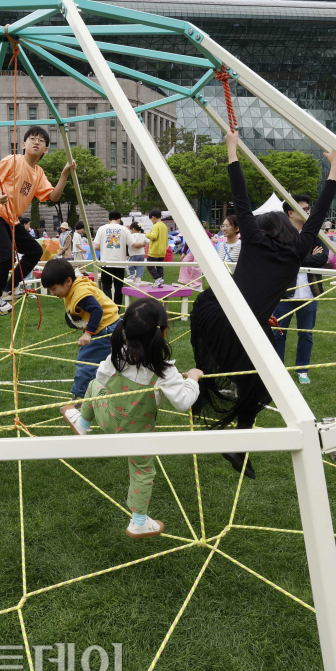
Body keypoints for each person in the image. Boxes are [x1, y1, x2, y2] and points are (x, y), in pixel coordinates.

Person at [190, 130, 336, 477]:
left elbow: (239, 194)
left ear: (263, 228)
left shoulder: (255, 239)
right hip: (238, 321)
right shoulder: (298, 249)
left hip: (218, 311)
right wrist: (335, 169)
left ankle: (238, 444)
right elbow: (317, 213)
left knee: (256, 382)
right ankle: (232, 431)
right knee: (261, 384)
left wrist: (232, 148)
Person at [60, 298, 202, 538]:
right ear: (163, 332)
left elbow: (101, 379)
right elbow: (183, 402)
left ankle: (83, 423)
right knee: (142, 472)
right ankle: (138, 522)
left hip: (106, 419)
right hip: (139, 434)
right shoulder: (164, 369)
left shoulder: (118, 355)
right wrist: (194, 379)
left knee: (94, 385)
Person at [0, 126, 76, 315]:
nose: (36, 142)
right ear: (24, 144)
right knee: (7, 256)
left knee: (34, 250)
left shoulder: (38, 173)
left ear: (46, 149)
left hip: (11, 220)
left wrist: (65, 173)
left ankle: (9, 288)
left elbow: (54, 196)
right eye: (32, 138)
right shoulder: (13, 160)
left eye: (41, 141)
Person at [41, 257, 120, 402]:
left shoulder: (79, 292)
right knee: (110, 361)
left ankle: (80, 401)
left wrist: (89, 333)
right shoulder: (74, 287)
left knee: (85, 363)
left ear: (68, 281)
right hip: (113, 325)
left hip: (105, 329)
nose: (52, 293)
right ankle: (111, 389)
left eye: (53, 289)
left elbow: (97, 310)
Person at [271, 198, 330, 384]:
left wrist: (298, 257)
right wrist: (306, 255)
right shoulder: (279, 234)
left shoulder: (314, 234)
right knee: (278, 334)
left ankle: (302, 369)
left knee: (306, 334)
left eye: (308, 208)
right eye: (304, 209)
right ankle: (278, 371)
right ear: (291, 212)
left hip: (310, 293)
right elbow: (281, 258)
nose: (308, 211)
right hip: (284, 294)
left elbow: (322, 259)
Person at [93, 211, 132, 304]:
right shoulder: (124, 229)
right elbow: (132, 244)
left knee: (106, 286)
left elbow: (96, 246)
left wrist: (104, 249)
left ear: (109, 220)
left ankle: (109, 307)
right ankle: (117, 307)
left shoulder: (102, 228)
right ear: (119, 219)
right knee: (119, 287)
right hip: (120, 263)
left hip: (106, 262)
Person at [144, 209, 168, 286]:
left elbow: (153, 236)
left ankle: (157, 279)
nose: (151, 221)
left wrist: (147, 234)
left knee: (149, 266)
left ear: (153, 217)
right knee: (159, 266)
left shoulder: (156, 226)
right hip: (162, 250)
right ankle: (160, 281)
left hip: (154, 250)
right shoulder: (164, 226)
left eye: (151, 219)